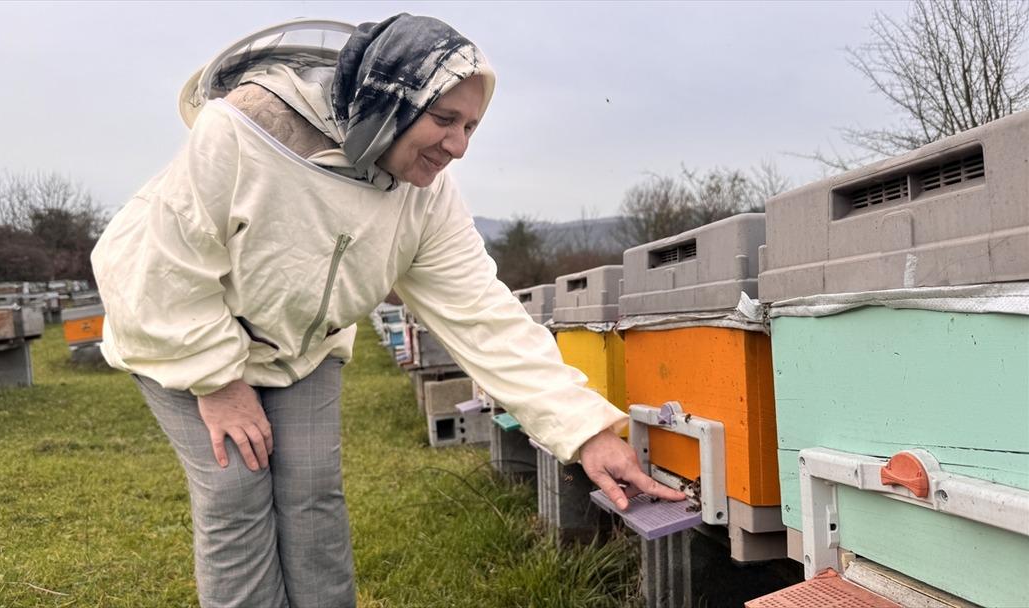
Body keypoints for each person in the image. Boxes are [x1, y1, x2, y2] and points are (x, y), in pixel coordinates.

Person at [92, 13, 685, 608]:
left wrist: (585, 432)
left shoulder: (428, 199)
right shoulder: (241, 130)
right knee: (234, 493)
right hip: (178, 328)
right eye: (445, 119)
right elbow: (164, 268)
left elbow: (484, 315)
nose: (459, 146)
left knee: (312, 494)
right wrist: (218, 382)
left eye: (472, 126)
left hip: (303, 348)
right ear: (386, 101)